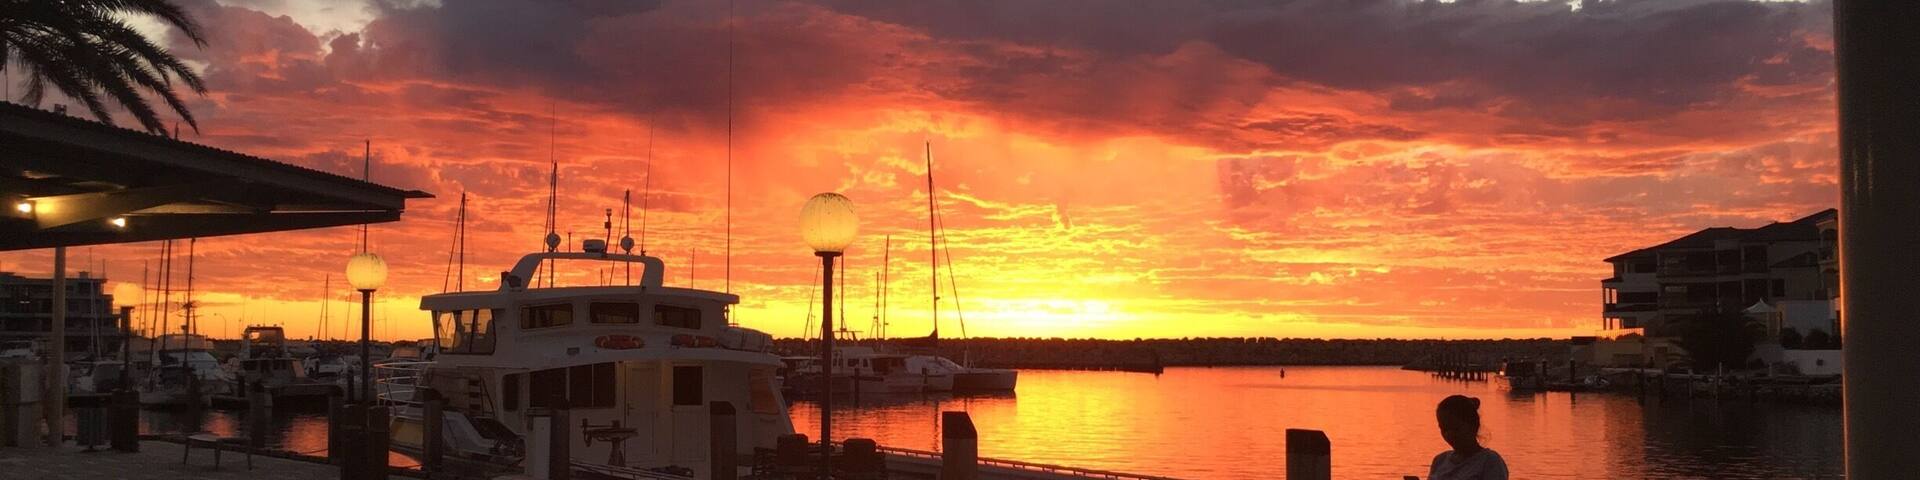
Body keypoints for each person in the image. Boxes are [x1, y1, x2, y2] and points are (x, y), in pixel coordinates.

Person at [1427, 395, 1508, 480]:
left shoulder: (1489, 461)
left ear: (1473, 425)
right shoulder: (1440, 461)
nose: (1449, 434)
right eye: (1444, 428)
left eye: (1455, 428)